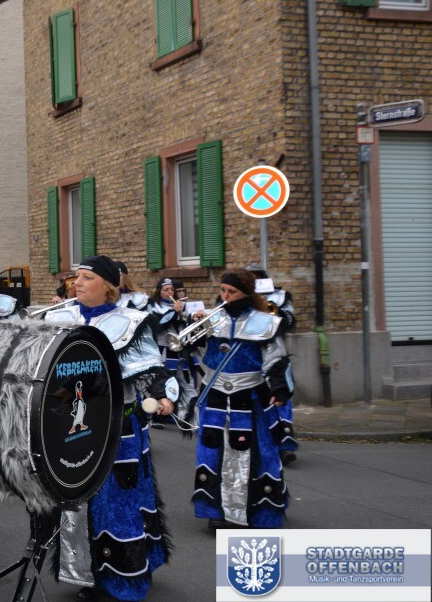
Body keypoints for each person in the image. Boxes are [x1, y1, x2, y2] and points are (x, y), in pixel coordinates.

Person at [46, 255, 176, 601]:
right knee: (78, 499)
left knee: (118, 502)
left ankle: (122, 578)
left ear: (108, 286)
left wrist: (162, 395)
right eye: (76, 277)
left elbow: (153, 368)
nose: (77, 283)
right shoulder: (58, 318)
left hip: (118, 427)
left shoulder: (131, 322)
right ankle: (88, 574)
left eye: (86, 278)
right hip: (72, 427)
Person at [189, 269, 292, 531]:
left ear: (246, 293)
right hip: (215, 394)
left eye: (232, 291)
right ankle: (216, 512)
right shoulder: (211, 319)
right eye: (223, 290)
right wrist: (193, 325)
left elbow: (276, 358)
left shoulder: (265, 321)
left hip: (250, 395)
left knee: (259, 452)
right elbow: (192, 349)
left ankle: (259, 511)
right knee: (212, 451)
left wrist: (279, 388)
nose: (225, 296)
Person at [245, 263, 298, 465]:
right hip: (250, 354)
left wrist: (271, 307)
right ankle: (262, 445)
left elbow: (290, 321)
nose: (254, 281)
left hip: (274, 352)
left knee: (280, 396)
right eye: (250, 278)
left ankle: (285, 444)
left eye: (257, 277)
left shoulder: (280, 296)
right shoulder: (238, 297)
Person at [149, 277, 195, 419]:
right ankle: (159, 416)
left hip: (181, 350)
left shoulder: (181, 306)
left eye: (171, 289)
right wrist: (174, 313)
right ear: (159, 291)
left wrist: (189, 317)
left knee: (187, 382)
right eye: (166, 290)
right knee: (164, 382)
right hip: (163, 350)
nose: (170, 292)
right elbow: (159, 325)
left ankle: (188, 415)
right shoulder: (153, 306)